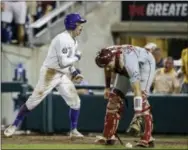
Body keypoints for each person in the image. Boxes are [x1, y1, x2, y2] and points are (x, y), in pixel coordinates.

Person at [4, 13, 87, 139]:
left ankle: (73, 130)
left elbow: (67, 63)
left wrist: (74, 72)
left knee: (75, 102)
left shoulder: (73, 41)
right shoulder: (63, 39)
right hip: (50, 73)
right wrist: (77, 57)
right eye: (79, 24)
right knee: (32, 102)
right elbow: (63, 62)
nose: (81, 27)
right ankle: (14, 126)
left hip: (62, 74)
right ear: (72, 25)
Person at [95, 43, 158, 148]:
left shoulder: (130, 64)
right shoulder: (107, 55)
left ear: (112, 59)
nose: (106, 68)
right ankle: (108, 136)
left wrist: (137, 114)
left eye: (107, 65)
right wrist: (107, 87)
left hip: (145, 64)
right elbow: (107, 68)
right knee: (113, 98)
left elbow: (137, 89)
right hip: (123, 64)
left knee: (141, 99)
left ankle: (147, 138)